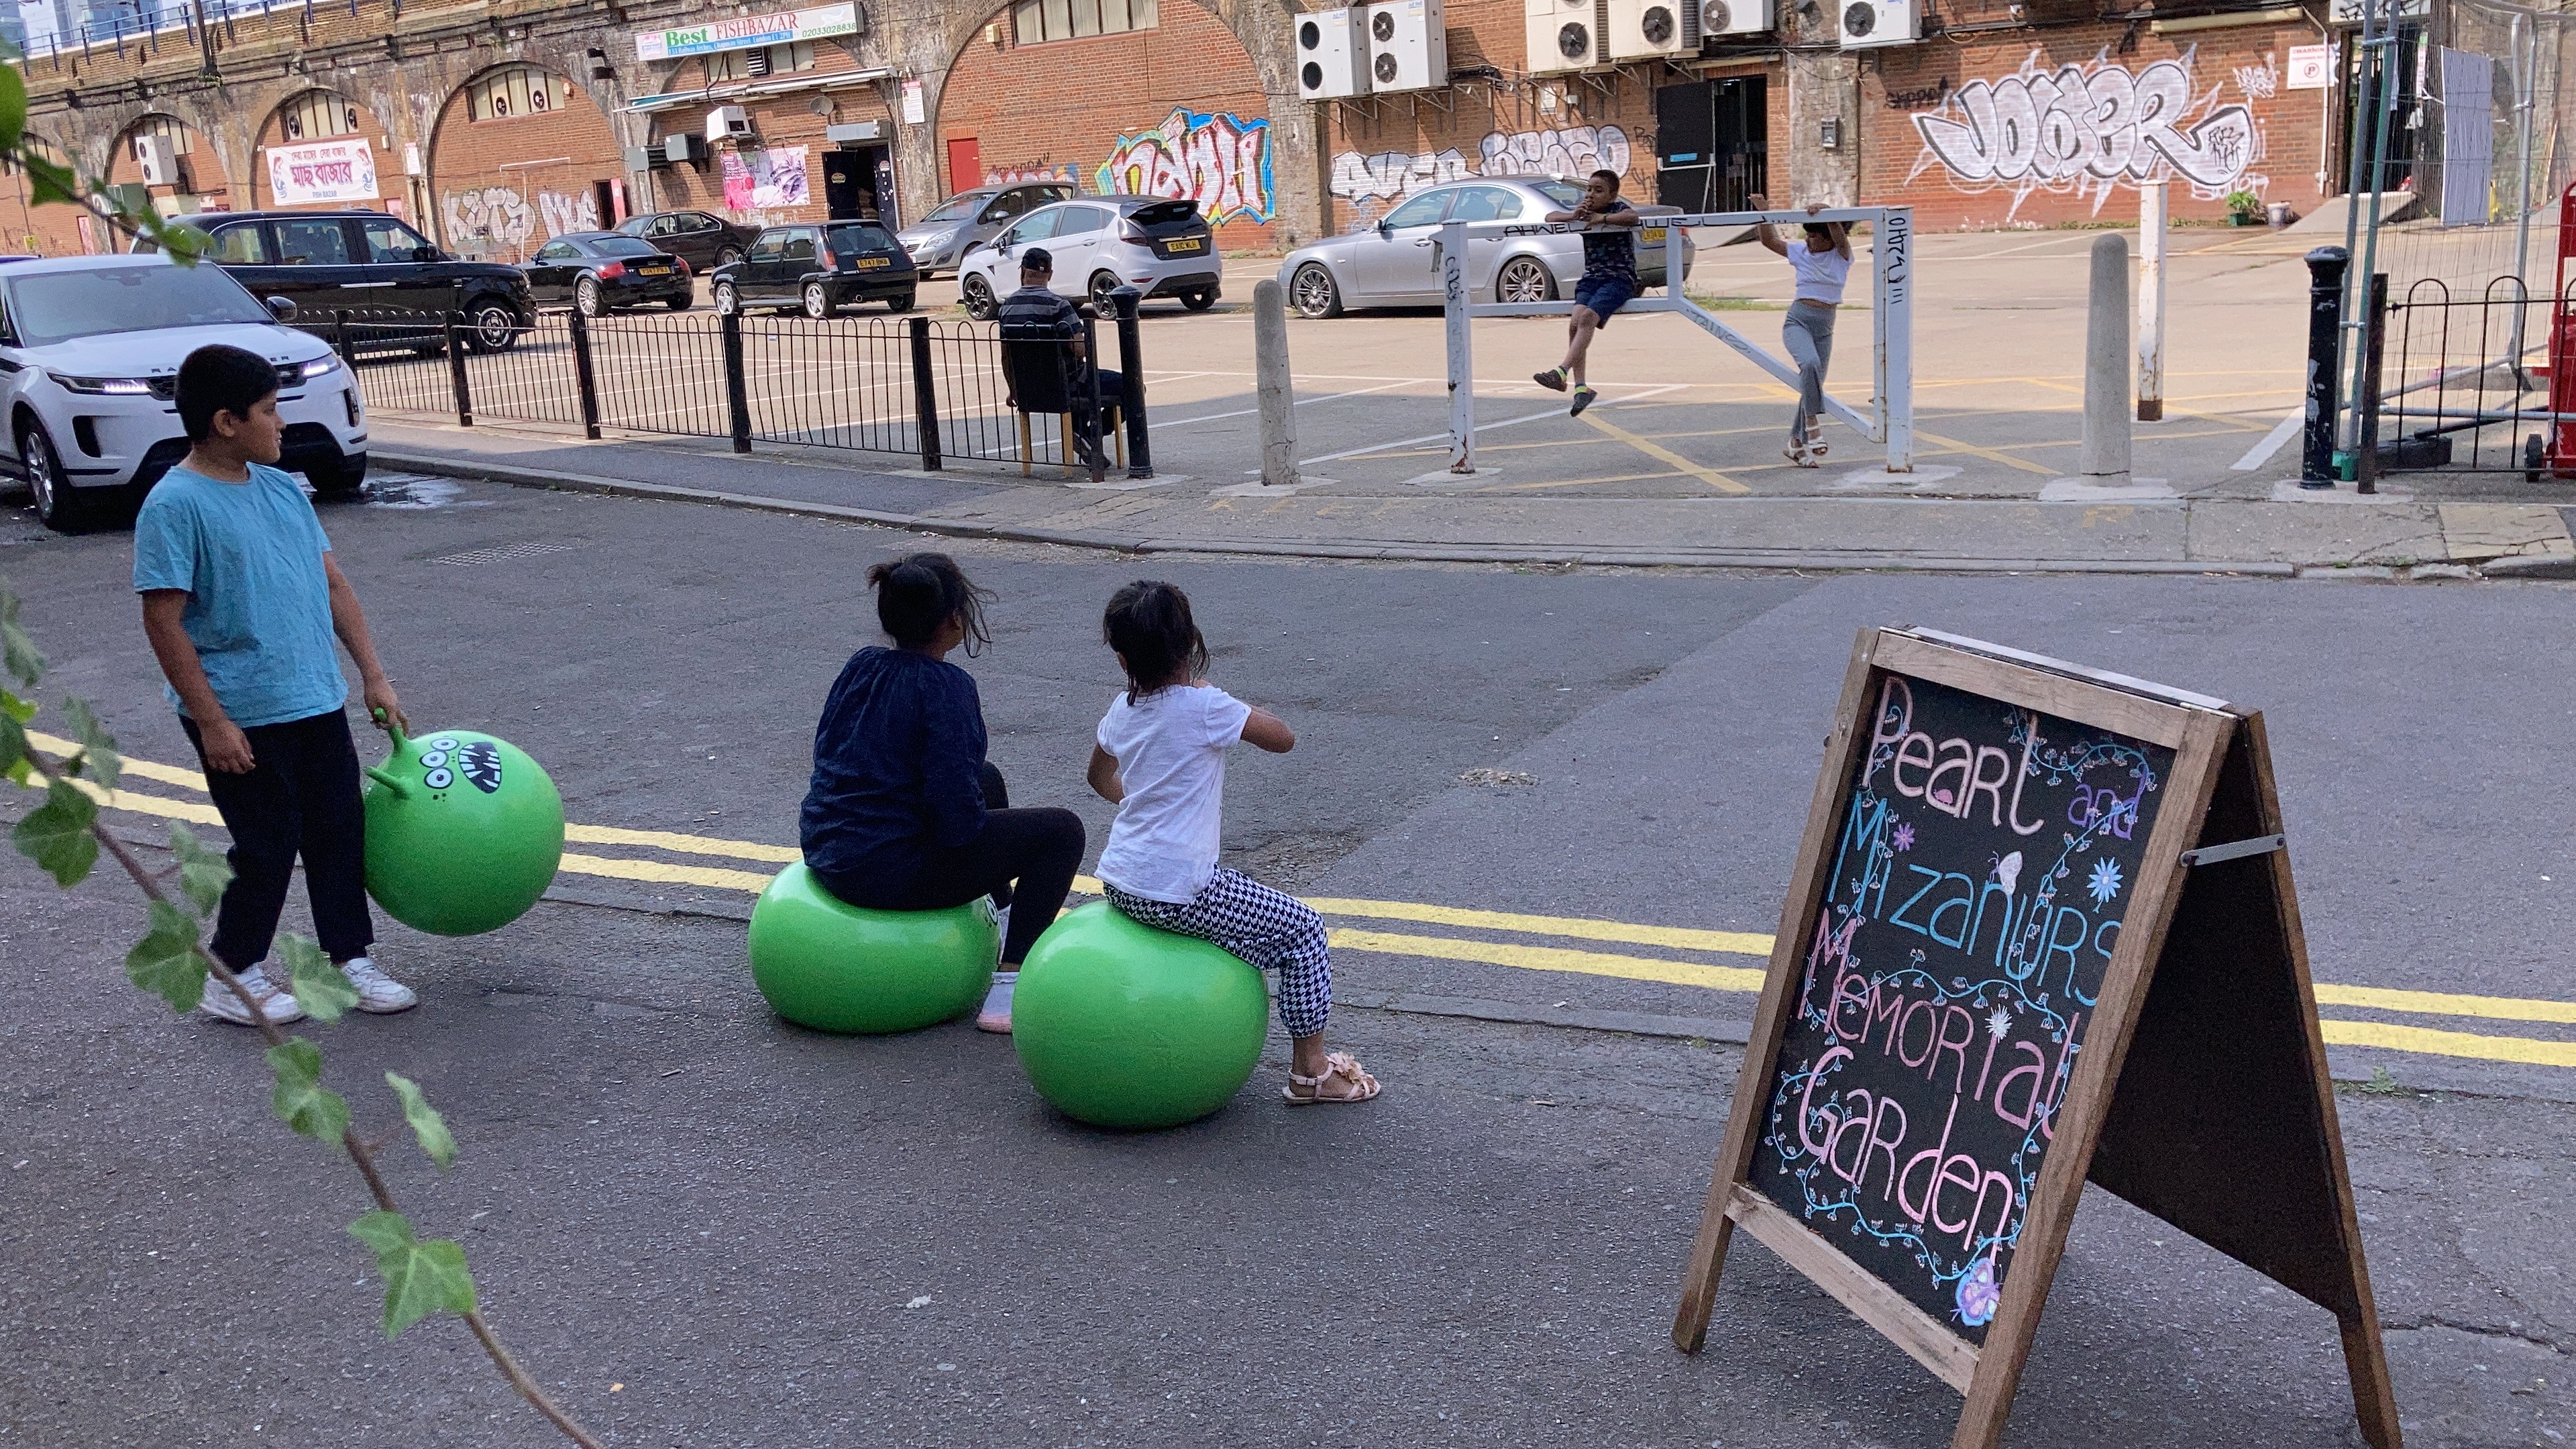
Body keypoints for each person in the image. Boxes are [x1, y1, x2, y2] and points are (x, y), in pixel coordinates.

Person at [133, 343, 416, 1026]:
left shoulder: (284, 489)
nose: (282, 423)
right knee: (267, 842)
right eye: (269, 411)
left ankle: (349, 960)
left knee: (336, 832)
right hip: (240, 710)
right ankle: (233, 971)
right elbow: (164, 623)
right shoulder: (175, 506)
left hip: (313, 696)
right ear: (227, 422)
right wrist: (210, 721)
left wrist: (373, 676)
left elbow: (333, 584)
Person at [1085, 581, 1381, 1106]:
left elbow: (1099, 778)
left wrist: (1140, 797)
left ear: (1123, 658)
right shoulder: (1206, 708)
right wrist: (1211, 695)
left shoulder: (1121, 711)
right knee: (1304, 932)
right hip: (1179, 890)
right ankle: (1311, 1073)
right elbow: (1283, 738)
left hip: (1121, 880)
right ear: (1190, 644)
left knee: (1247, 913)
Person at [799, 552, 1085, 1034]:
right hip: (885, 874)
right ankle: (1008, 992)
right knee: (1061, 832)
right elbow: (957, 825)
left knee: (986, 777)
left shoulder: (861, 666)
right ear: (953, 619)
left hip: (829, 851)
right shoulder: (947, 687)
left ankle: (1007, 919)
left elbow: (836, 754)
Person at [995, 246, 1148, 474]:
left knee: (1083, 381)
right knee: (1134, 386)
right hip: (1070, 385)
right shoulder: (1059, 306)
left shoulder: (1007, 309)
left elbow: (1006, 356)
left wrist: (1015, 389)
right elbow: (1079, 351)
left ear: (1022, 272)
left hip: (1030, 389)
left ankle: (1079, 432)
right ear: (1050, 274)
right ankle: (1091, 432)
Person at [1750, 195, 1853, 468]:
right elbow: (1769, 242)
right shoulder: (1801, 253)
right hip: (1799, 320)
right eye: (1808, 236)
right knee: (1809, 363)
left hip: (1825, 326)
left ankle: (1795, 444)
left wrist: (1825, 212)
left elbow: (1838, 233)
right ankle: (1812, 424)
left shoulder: (1841, 255)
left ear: (1831, 238)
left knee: (1813, 383)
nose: (1810, 241)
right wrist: (1764, 213)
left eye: (1816, 237)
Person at [1531, 168, 1640, 418]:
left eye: (1599, 190)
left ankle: (1560, 371)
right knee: (1575, 323)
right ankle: (1581, 388)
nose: (1591, 194)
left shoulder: (1616, 210)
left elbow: (1632, 217)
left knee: (1589, 318)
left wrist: (1601, 220)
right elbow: (1550, 216)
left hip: (1618, 278)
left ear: (1612, 195)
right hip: (1591, 278)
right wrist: (1573, 215)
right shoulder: (1582, 212)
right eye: (1589, 189)